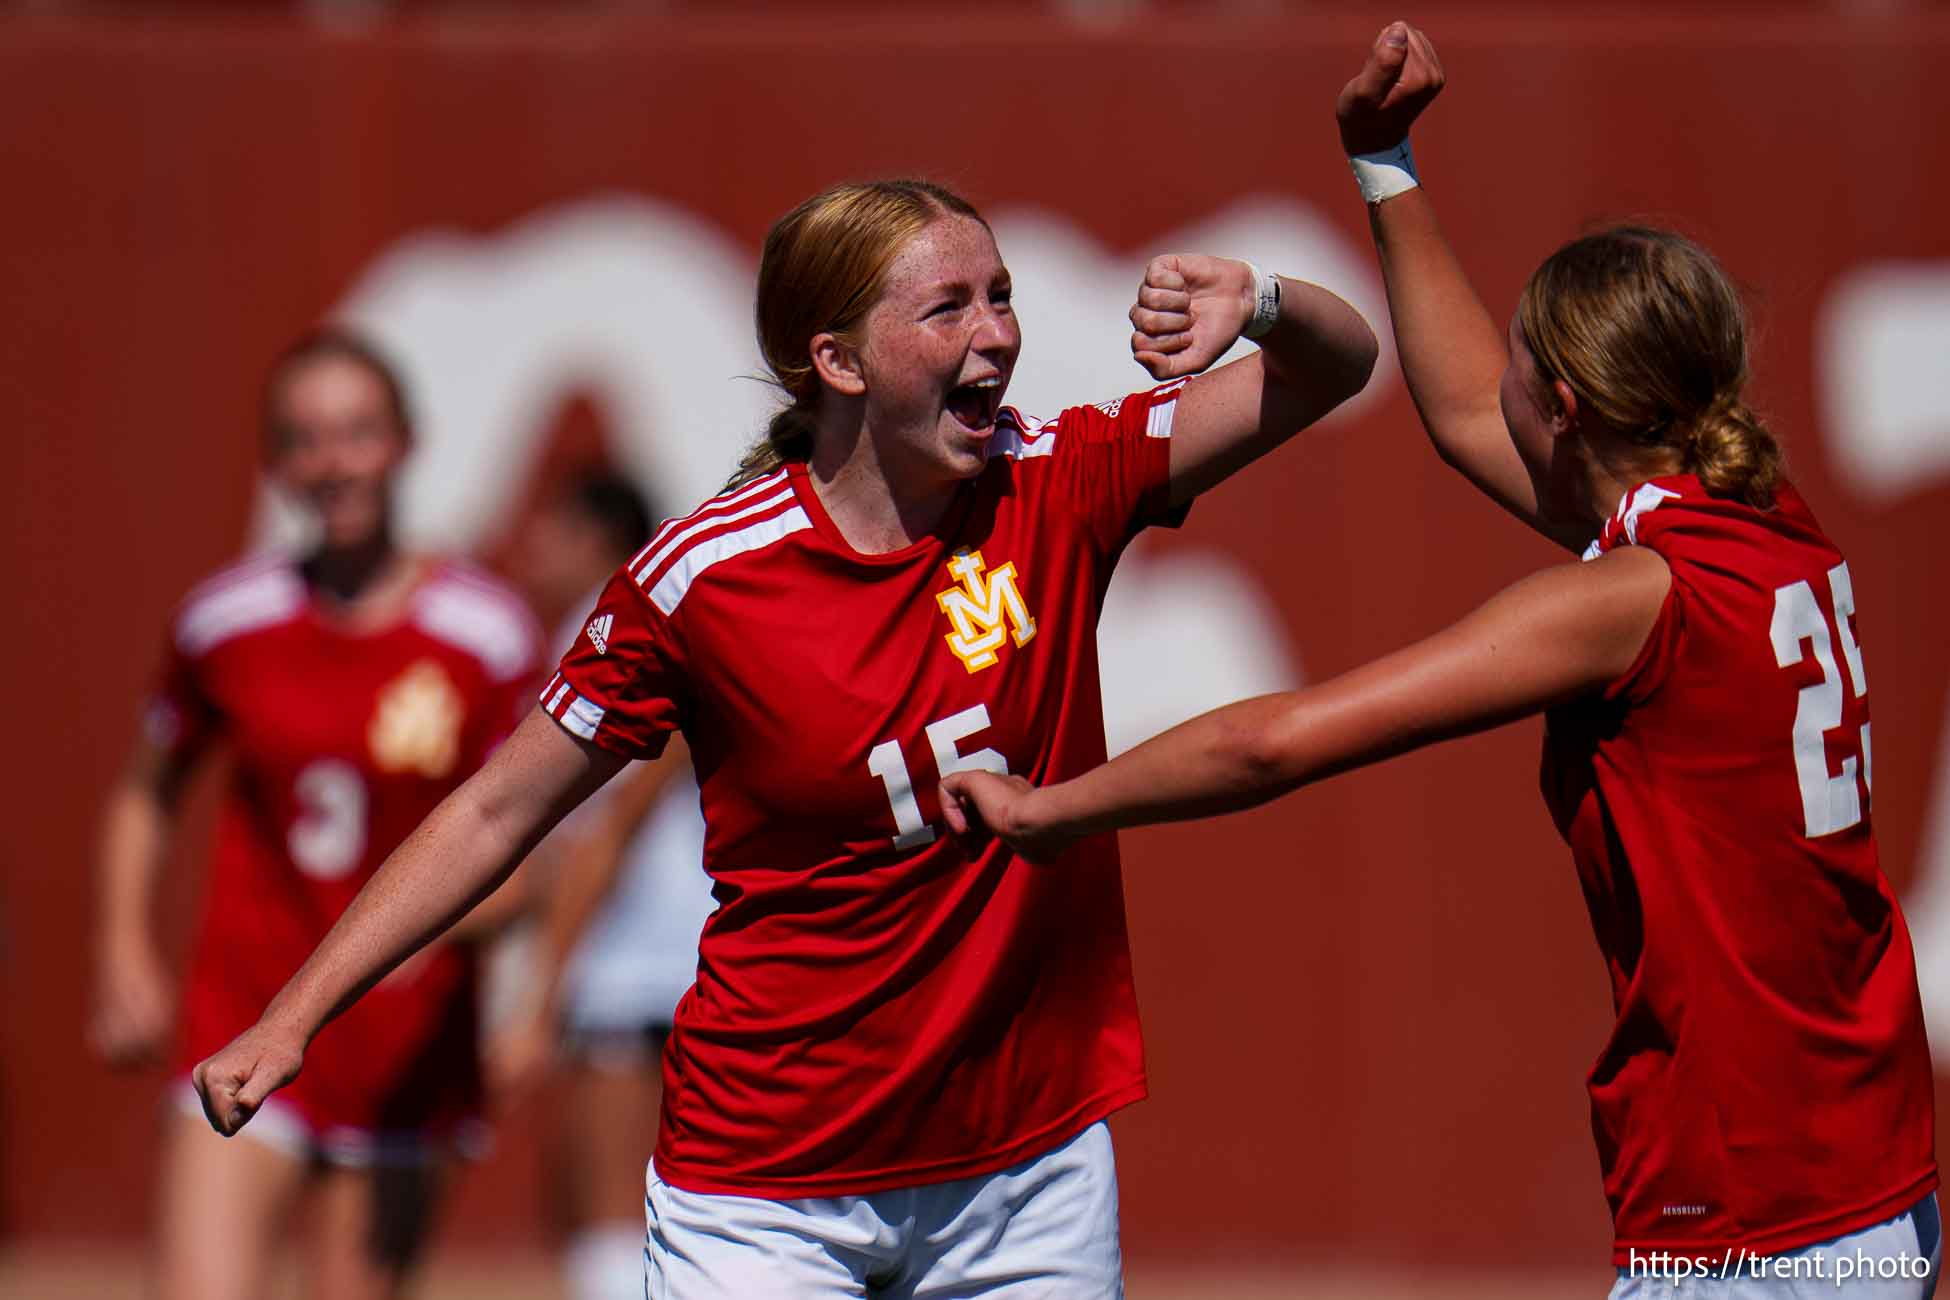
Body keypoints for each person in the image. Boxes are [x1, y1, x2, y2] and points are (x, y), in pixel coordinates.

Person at [190, 177, 1379, 1297]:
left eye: (1003, 294)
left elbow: (1340, 365)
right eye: (950, 306)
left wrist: (1263, 302)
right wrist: (297, 1014)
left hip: (1027, 1164)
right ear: (837, 360)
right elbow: (500, 808)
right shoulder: (697, 580)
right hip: (764, 1182)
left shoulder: (1058, 482)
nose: (999, 335)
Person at [939, 24, 1940, 1300]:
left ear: (1568, 410)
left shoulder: (1631, 597)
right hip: (1869, 1176)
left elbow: (1277, 740)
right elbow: (1472, 412)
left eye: (1525, 359)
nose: (1499, 382)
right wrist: (1385, 164)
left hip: (1755, 1208)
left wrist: (1050, 807)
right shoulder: (1766, 525)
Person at [89, 329, 543, 1300]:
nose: (334, 462)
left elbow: (525, 857)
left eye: (357, 433)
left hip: (403, 1053)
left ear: (406, 444)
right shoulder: (226, 621)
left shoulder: (486, 633)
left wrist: (448, 930)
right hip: (242, 1012)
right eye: (306, 438)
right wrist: (123, 946)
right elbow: (144, 790)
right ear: (276, 462)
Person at [495, 469, 716, 1300]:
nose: (530, 547)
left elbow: (604, 837)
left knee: (608, 1218)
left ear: (594, 537)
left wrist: (540, 997)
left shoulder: (615, 636)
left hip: (636, 965)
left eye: (548, 527)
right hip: (698, 957)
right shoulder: (667, 620)